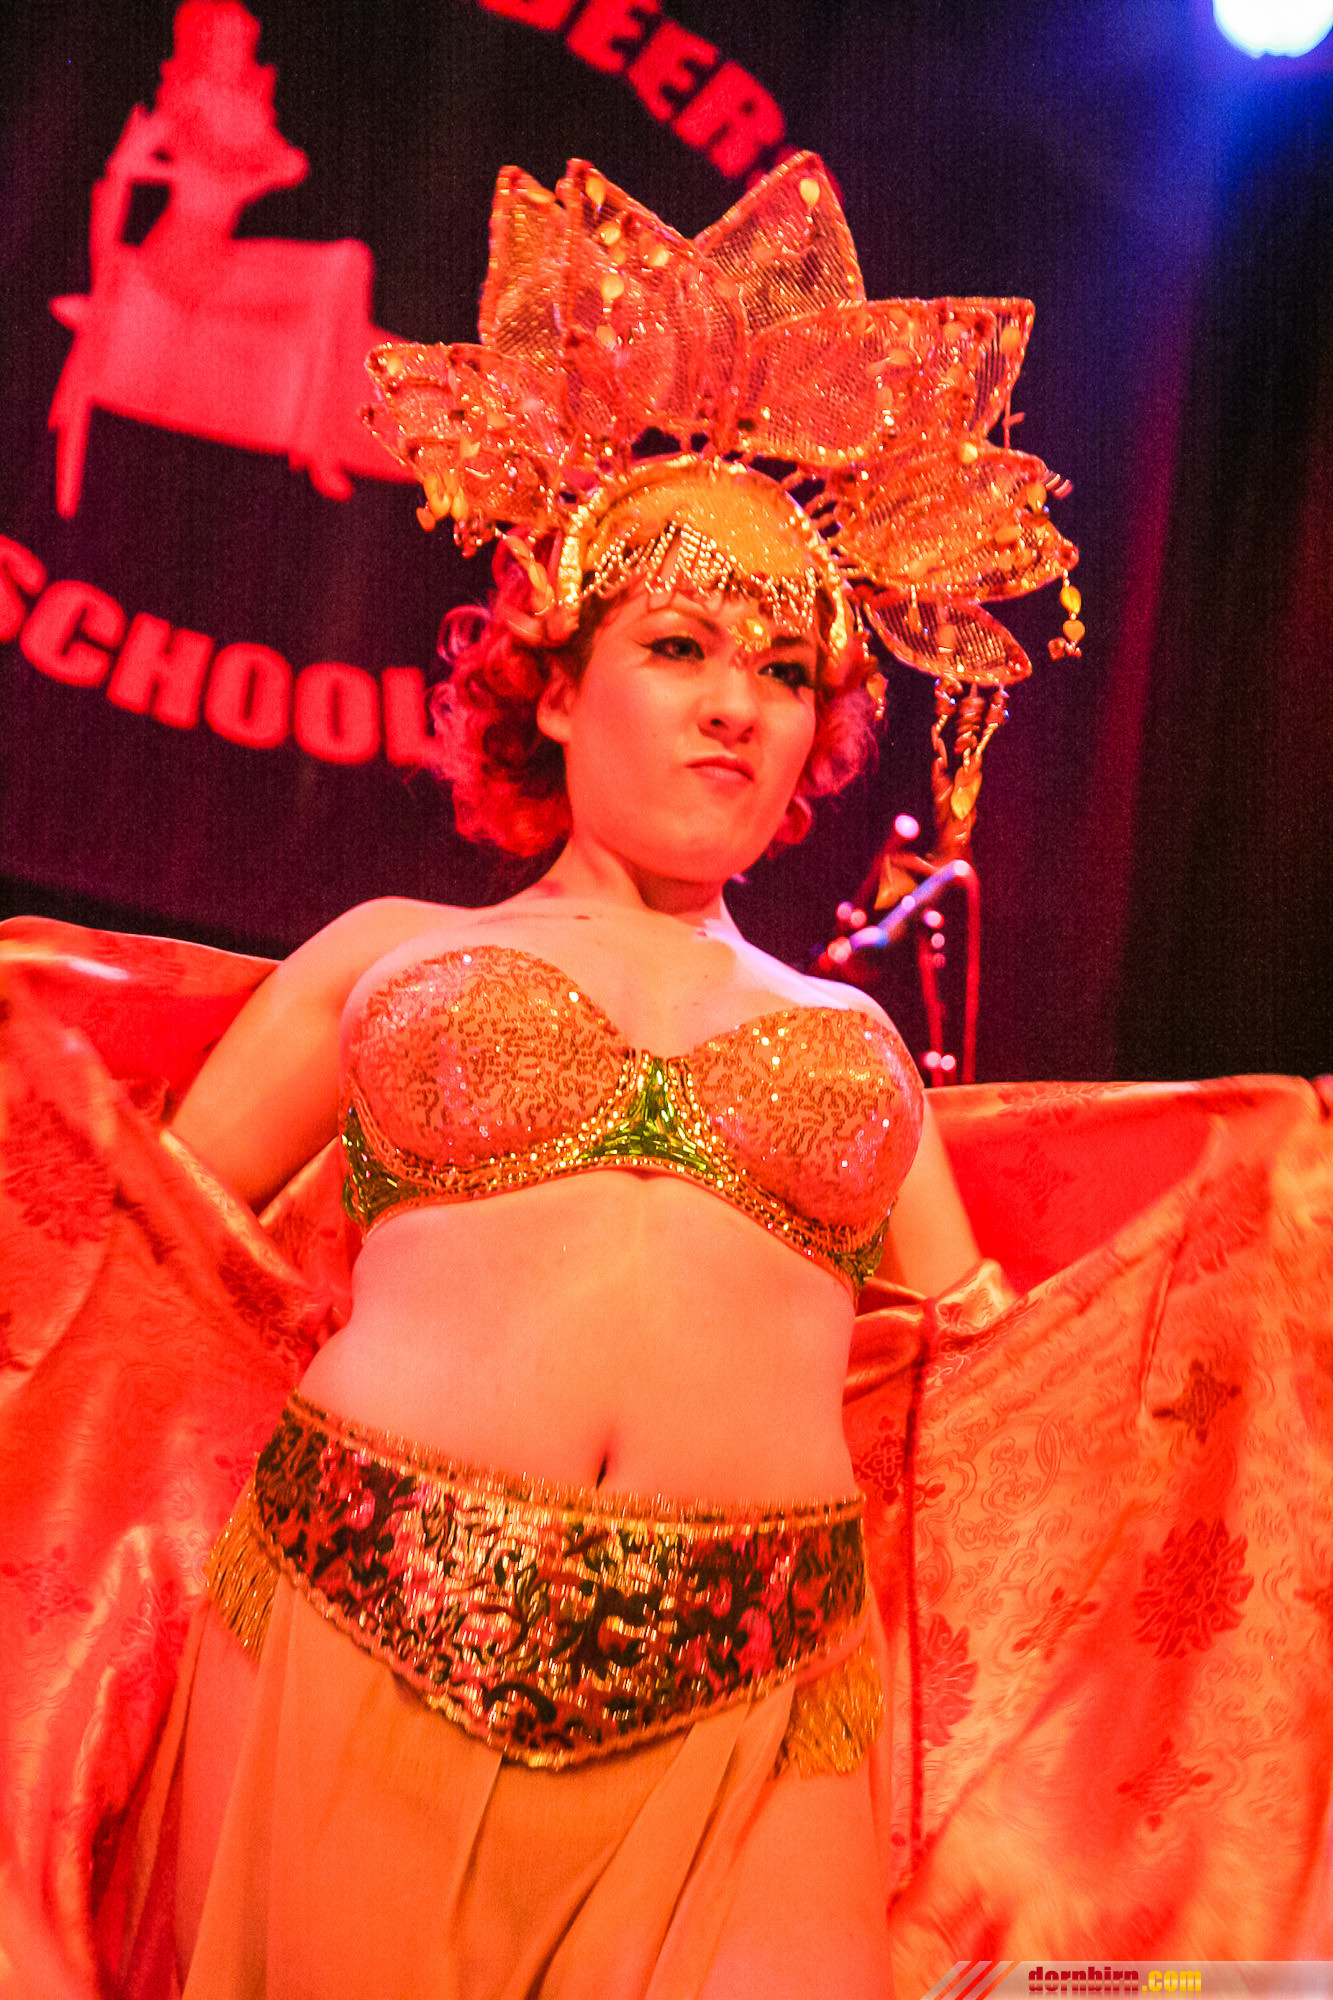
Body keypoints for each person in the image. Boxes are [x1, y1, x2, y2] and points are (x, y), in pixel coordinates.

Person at [3, 150, 1330, 2000]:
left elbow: (989, 1382)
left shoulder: (852, 1042)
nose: (734, 703)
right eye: (680, 647)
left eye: (783, 671)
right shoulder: (389, 952)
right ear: (553, 685)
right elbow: (155, 1282)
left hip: (758, 1700)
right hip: (359, 1623)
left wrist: (1251, 1212)